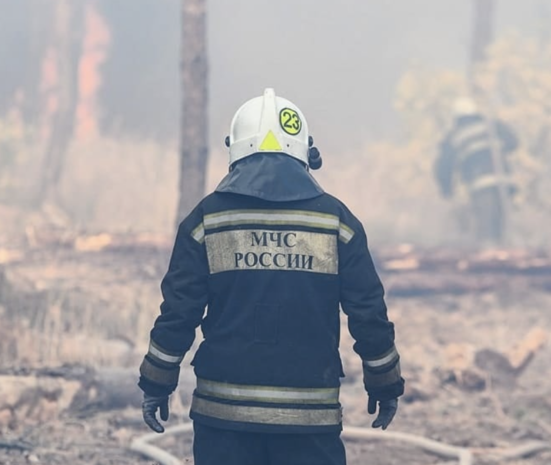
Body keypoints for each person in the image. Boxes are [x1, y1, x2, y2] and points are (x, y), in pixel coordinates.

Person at [138, 88, 404, 465]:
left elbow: (179, 313)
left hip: (223, 421)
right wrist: (385, 381)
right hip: (310, 423)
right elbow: (368, 313)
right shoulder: (336, 223)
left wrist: (156, 381)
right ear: (304, 151)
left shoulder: (207, 222)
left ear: (236, 150)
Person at [435, 97, 519, 245]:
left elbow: (444, 166)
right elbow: (513, 142)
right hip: (504, 180)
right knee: (503, 221)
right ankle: (507, 252)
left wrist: (446, 189)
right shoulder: (491, 125)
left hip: (480, 183)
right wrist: (498, 148)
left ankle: (490, 256)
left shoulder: (455, 135)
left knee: (486, 225)